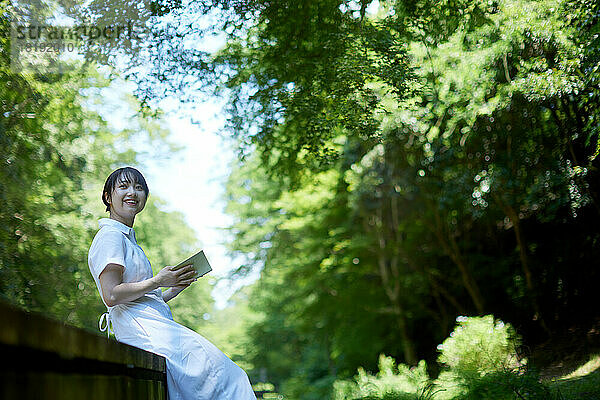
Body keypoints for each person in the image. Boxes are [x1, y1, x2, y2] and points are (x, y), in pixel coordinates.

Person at [87, 166, 256, 400]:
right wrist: (157, 281)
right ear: (108, 197)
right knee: (231, 379)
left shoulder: (127, 239)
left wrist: (172, 289)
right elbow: (112, 295)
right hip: (146, 333)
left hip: (153, 326)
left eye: (139, 188)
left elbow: (139, 301)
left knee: (227, 380)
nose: (132, 193)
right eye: (123, 187)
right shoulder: (110, 236)